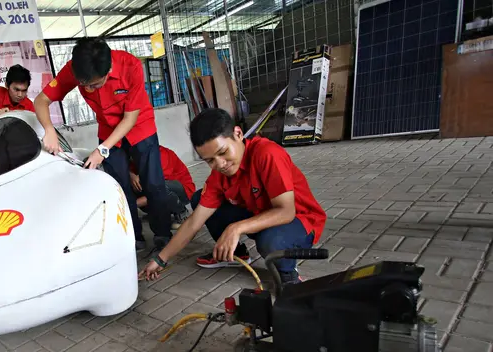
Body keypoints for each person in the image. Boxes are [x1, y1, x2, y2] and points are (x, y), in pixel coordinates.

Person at [139, 108, 327, 284]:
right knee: (199, 200)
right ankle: (236, 254)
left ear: (238, 134)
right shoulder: (219, 176)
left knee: (271, 240)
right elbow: (193, 222)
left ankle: (288, 276)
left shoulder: (267, 154)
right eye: (210, 160)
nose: (220, 164)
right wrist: (160, 259)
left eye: (222, 152)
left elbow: (286, 212)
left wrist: (235, 228)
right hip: (260, 214)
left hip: (300, 221)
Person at [34, 37, 172, 251]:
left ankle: (162, 233)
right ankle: (133, 237)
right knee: (119, 187)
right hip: (107, 129)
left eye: (95, 84)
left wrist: (102, 149)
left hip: (139, 127)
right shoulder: (74, 69)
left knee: (153, 183)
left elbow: (130, 119)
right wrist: (49, 129)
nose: (89, 89)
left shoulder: (131, 66)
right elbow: (41, 101)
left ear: (109, 70)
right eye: (84, 85)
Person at [129, 145, 195, 230]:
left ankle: (182, 213)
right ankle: (157, 213)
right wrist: (131, 175)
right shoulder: (135, 157)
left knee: (159, 187)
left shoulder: (161, 155)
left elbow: (159, 188)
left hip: (181, 191)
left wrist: (132, 205)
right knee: (134, 184)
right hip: (157, 191)